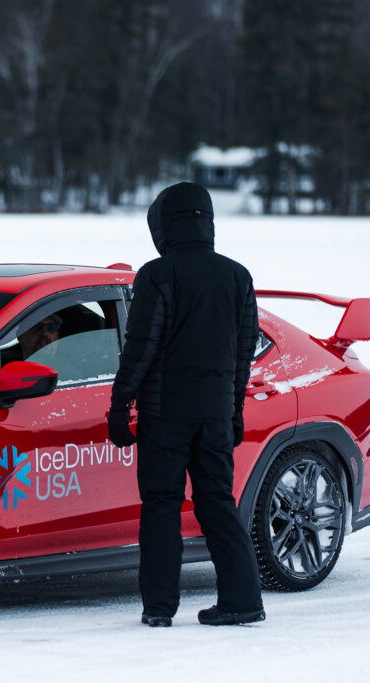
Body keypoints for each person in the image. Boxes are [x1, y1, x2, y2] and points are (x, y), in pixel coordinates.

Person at [108, 182, 263, 628]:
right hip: (214, 414)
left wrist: (120, 406)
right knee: (217, 502)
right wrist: (233, 411)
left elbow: (140, 347)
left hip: (165, 416)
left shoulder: (157, 276)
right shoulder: (238, 276)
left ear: (163, 225)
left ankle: (159, 608)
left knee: (161, 506)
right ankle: (243, 600)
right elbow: (242, 354)